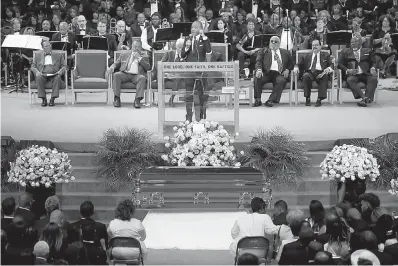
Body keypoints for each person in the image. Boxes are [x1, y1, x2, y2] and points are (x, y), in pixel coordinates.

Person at [181, 20, 212, 121]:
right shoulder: (188, 39)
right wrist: (186, 47)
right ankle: (188, 118)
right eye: (192, 27)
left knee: (202, 96)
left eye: (195, 27)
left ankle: (202, 118)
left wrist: (205, 38)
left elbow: (208, 51)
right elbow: (182, 55)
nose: (193, 29)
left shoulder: (204, 40)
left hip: (201, 73)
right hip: (189, 72)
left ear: (200, 29)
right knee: (189, 95)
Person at [108, 40, 150, 108]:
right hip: (125, 73)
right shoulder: (124, 54)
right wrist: (112, 67)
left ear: (141, 48)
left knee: (142, 78)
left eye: (138, 47)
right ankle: (117, 99)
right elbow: (116, 63)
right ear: (132, 46)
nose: (136, 48)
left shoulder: (144, 57)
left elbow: (148, 67)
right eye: (135, 46)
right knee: (116, 75)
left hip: (137, 76)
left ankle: (137, 100)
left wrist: (139, 58)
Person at [337, 35, 378, 107]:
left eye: (355, 42)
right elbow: (339, 64)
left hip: (366, 73)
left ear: (360, 43)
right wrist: (347, 70)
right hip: (353, 74)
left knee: (373, 79)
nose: (353, 44)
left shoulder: (368, 51)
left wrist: (373, 68)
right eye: (351, 42)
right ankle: (364, 98)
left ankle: (365, 99)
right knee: (350, 79)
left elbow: (374, 62)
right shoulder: (345, 51)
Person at [254, 36, 293, 107]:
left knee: (281, 81)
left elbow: (291, 64)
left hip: (279, 73)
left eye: (275, 41)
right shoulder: (263, 51)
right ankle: (258, 99)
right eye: (271, 41)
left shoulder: (285, 52)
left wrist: (287, 70)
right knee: (257, 77)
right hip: (266, 72)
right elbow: (258, 62)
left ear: (279, 43)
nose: (273, 43)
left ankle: (271, 100)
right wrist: (259, 70)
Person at [295, 39, 333, 107]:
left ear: (320, 46)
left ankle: (319, 99)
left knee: (325, 76)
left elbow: (331, 64)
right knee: (306, 76)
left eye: (316, 45)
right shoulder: (307, 56)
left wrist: (329, 68)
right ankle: (307, 98)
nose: (314, 47)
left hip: (321, 72)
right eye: (313, 45)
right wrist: (296, 67)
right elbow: (299, 64)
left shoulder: (325, 55)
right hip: (310, 73)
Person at [31, 40, 66, 107]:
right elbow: (33, 66)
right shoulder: (37, 55)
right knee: (38, 77)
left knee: (58, 77)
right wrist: (37, 72)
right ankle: (43, 99)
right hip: (42, 74)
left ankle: (52, 99)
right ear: (43, 48)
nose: (48, 47)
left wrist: (60, 71)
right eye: (46, 46)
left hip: (54, 74)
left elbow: (64, 66)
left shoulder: (59, 55)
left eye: (49, 45)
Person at [152, 38, 186, 107]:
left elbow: (185, 69)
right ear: (176, 47)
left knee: (177, 79)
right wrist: (166, 74)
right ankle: (159, 100)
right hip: (166, 74)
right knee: (160, 78)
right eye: (179, 47)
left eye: (182, 48)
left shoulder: (185, 56)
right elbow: (161, 65)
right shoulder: (168, 54)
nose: (180, 49)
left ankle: (171, 99)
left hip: (176, 76)